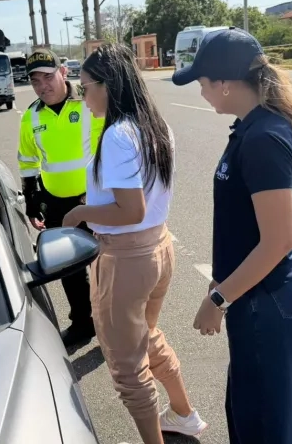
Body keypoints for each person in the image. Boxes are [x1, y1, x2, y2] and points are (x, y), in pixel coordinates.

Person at [172, 27, 292, 444]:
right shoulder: (249, 128)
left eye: (202, 83)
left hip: (265, 302)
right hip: (254, 296)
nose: (200, 91)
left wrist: (218, 298)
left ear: (224, 84)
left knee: (264, 428)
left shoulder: (263, 138)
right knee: (250, 416)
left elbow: (278, 240)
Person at [62, 43, 207, 444]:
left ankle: (165, 429)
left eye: (84, 86)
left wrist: (80, 213)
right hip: (159, 249)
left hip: (126, 258)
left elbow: (130, 210)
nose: (82, 95)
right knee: (147, 335)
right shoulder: (156, 126)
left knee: (127, 366)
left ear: (105, 86)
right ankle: (183, 413)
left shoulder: (118, 135)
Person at [17, 48, 105, 347]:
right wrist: (31, 196)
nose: (42, 86)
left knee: (106, 266)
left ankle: (113, 327)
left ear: (63, 72)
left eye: (48, 77)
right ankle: (82, 324)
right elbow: (28, 160)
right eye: (35, 81)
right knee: (69, 269)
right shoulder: (31, 117)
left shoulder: (89, 101)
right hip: (56, 201)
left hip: (95, 199)